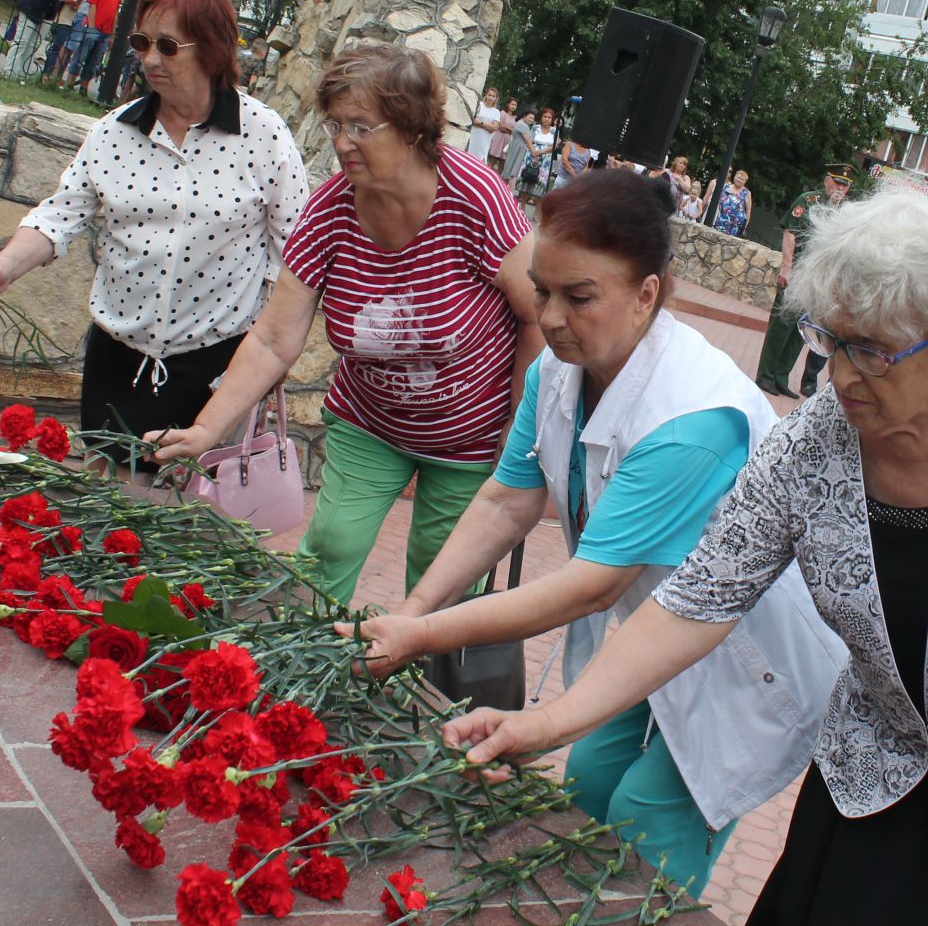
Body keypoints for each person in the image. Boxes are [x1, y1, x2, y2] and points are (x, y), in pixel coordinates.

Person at [444, 186, 928, 925]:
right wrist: (550, 724)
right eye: (829, 339)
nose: (839, 374)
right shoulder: (811, 443)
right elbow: (698, 600)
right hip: (880, 762)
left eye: (872, 351)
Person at [342, 170, 845, 894]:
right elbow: (506, 504)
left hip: (744, 657)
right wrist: (411, 611)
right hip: (656, 629)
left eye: (579, 298)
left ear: (647, 293)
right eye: (542, 290)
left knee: (646, 829)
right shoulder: (559, 372)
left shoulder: (692, 419)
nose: (549, 318)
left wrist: (422, 638)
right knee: (587, 784)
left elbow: (590, 586)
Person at [148, 42, 543, 602]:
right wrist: (207, 431)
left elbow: (537, 316)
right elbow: (273, 337)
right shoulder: (330, 208)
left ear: (411, 129)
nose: (340, 143)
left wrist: (516, 429)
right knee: (330, 545)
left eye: (360, 127)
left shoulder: (477, 197)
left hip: (471, 437)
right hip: (371, 419)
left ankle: (422, 684)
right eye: (335, 125)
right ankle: (298, 676)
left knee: (445, 579)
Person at [0, 0, 309, 461]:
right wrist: (4, 267)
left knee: (176, 512)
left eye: (168, 47)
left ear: (211, 50)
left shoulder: (263, 135)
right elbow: (61, 214)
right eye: (141, 43)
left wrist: (267, 351)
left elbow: (295, 247)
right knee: (110, 499)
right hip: (117, 357)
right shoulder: (114, 131)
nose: (149, 59)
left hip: (213, 363)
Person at [754, 163, 854, 399]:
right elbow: (790, 232)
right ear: (827, 180)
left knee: (800, 331)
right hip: (798, 272)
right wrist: (787, 267)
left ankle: (781, 377)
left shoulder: (843, 214)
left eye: (845, 185)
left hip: (817, 281)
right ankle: (766, 375)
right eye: (837, 182)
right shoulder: (808, 201)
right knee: (781, 325)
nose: (840, 188)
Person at [520, 107, 559, 208]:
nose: (546, 119)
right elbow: (529, 141)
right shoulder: (535, 127)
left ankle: (537, 213)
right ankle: (522, 208)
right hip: (531, 157)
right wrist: (533, 151)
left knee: (540, 185)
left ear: (552, 119)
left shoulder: (555, 131)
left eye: (549, 117)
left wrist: (540, 152)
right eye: (544, 116)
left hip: (546, 160)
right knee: (526, 181)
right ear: (541, 117)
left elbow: (555, 146)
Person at [708, 168, 754, 237]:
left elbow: (748, 210)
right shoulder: (725, 188)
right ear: (734, 177)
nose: (739, 180)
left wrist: (744, 226)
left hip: (736, 226)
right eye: (738, 177)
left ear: (745, 182)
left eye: (742, 179)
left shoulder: (746, 193)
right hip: (722, 221)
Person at [501, 103, 537, 185]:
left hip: (517, 146)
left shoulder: (523, 124)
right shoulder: (522, 125)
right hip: (518, 147)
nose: (531, 120)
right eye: (530, 117)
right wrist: (533, 153)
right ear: (524, 116)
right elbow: (528, 140)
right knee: (512, 171)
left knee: (510, 169)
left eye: (533, 119)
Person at [467, 86, 504, 160]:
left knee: (479, 160)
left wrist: (480, 122)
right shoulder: (479, 105)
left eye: (493, 96)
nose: (491, 98)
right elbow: (473, 121)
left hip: (484, 140)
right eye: (489, 95)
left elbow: (494, 128)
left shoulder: (496, 112)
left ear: (496, 98)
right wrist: (489, 126)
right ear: (486, 95)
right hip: (473, 136)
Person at [487, 97, 517, 173]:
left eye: (515, 105)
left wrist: (506, 126)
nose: (513, 106)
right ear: (508, 104)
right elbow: (500, 127)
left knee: (502, 163)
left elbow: (515, 131)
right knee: (493, 160)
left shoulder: (515, 117)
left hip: (508, 141)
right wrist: (510, 129)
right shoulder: (503, 113)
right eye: (512, 104)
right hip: (499, 138)